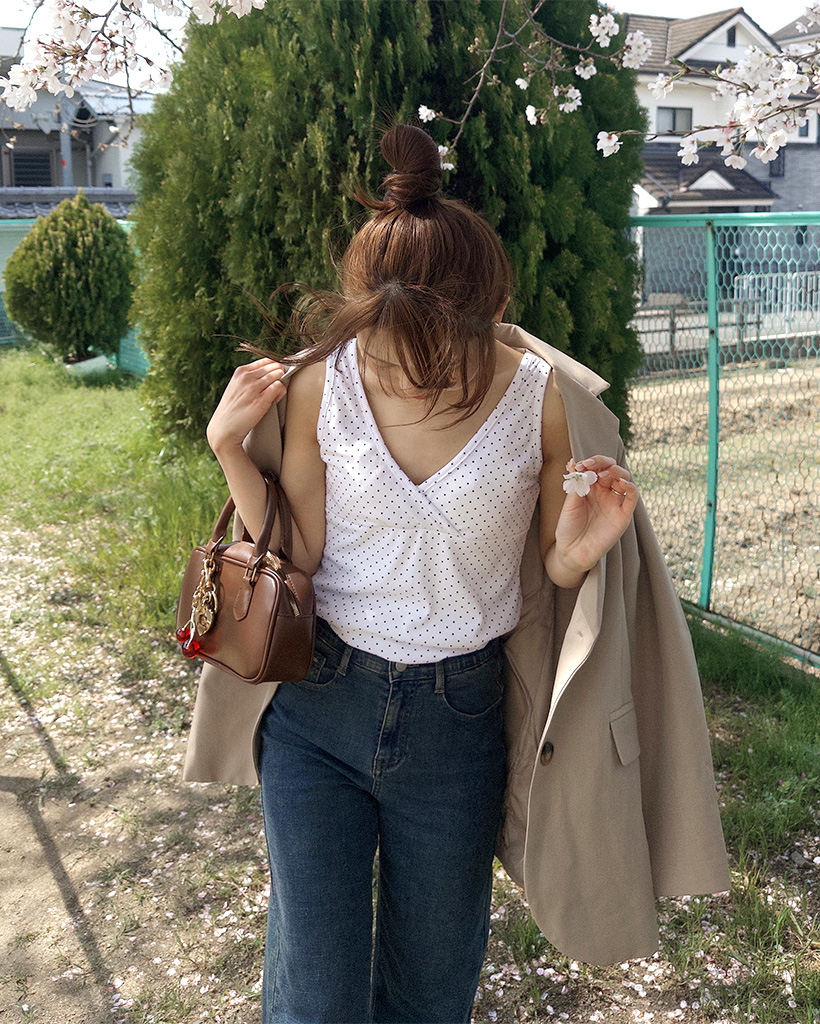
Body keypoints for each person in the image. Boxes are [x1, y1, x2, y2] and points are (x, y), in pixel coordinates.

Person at [193, 123, 729, 1023]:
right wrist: (229, 450)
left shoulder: (539, 399)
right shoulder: (326, 382)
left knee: (431, 991)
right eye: (382, 336)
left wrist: (579, 551)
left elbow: (550, 568)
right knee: (314, 994)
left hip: (459, 724)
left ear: (486, 309)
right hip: (321, 706)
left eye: (430, 337)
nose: (405, 365)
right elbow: (302, 558)